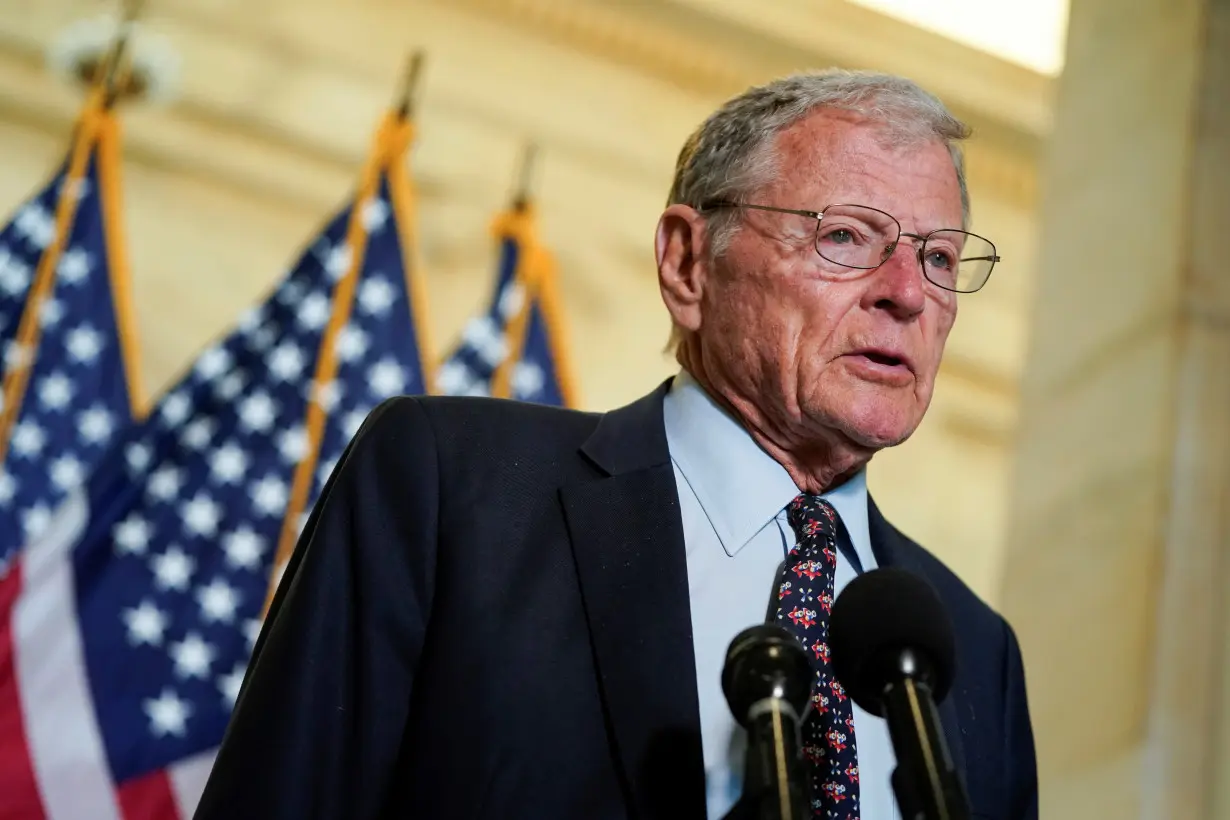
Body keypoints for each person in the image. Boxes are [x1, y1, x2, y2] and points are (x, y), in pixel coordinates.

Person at [194, 69, 1037, 820]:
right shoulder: (452, 489)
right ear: (685, 264)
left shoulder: (976, 651)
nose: (906, 294)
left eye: (937, 257)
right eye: (848, 237)